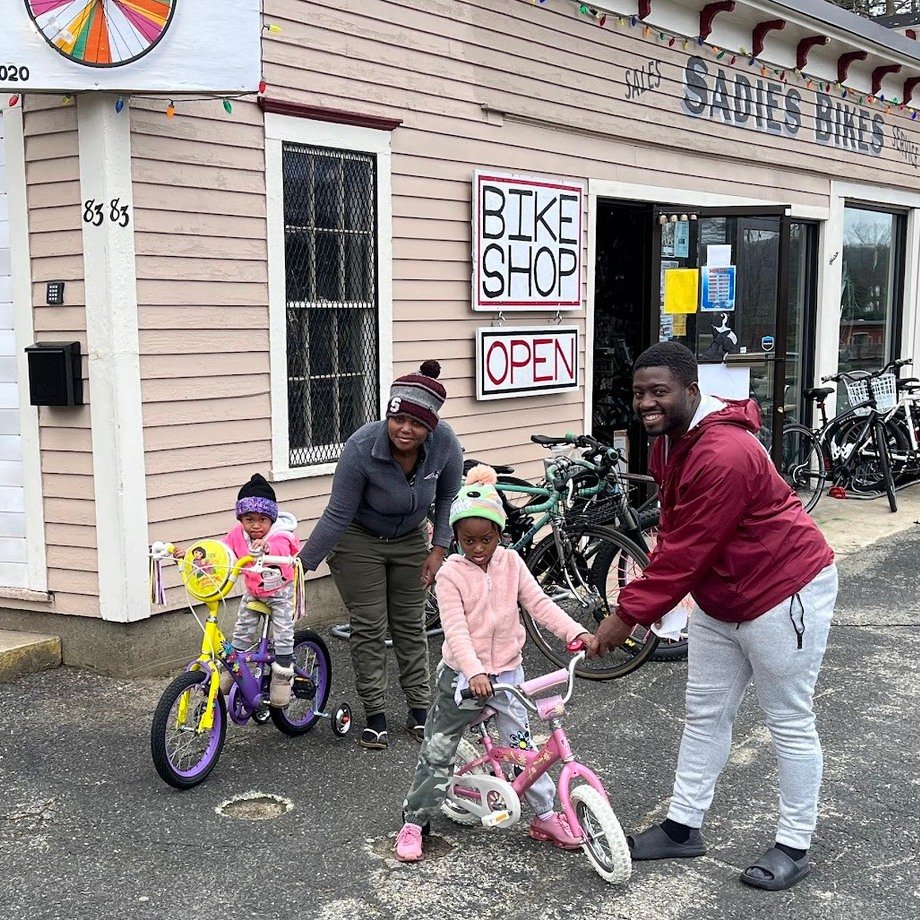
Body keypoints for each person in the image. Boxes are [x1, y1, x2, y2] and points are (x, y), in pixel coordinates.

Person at [592, 341, 837, 892]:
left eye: (659, 392)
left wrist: (627, 615)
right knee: (704, 714)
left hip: (783, 589)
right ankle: (683, 828)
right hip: (721, 595)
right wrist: (663, 604)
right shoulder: (670, 442)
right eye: (638, 393)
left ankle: (794, 845)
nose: (645, 403)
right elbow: (676, 534)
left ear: (692, 392)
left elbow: (689, 548)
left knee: (789, 722)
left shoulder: (724, 452)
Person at [394, 465, 597, 862]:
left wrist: (574, 632)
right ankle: (414, 821)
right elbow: (455, 630)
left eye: (486, 539)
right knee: (439, 748)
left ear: (500, 534)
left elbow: (538, 604)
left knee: (524, 748)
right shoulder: (450, 574)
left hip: (509, 674)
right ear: (455, 538)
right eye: (468, 540)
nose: (478, 548)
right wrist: (474, 673)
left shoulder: (511, 564)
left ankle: (543, 816)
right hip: (463, 679)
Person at [299, 360, 463, 750]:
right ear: (388, 415)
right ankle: (374, 714)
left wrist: (439, 548)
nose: (406, 430)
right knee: (370, 625)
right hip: (358, 539)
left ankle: (420, 710)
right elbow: (338, 514)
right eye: (398, 419)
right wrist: (300, 566)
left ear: (431, 427)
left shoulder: (446, 445)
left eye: (417, 423)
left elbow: (447, 499)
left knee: (410, 624)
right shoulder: (360, 447)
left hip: (410, 538)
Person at [174, 473, 301, 708]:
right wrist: (192, 554)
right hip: (254, 591)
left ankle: (282, 677)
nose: (255, 525)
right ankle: (232, 671)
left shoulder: (279, 534)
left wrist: (267, 546)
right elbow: (219, 550)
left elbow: (283, 549)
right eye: (249, 518)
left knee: (283, 632)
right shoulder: (237, 534)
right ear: (241, 519)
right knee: (242, 630)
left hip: (280, 591)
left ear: (271, 519)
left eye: (262, 519)